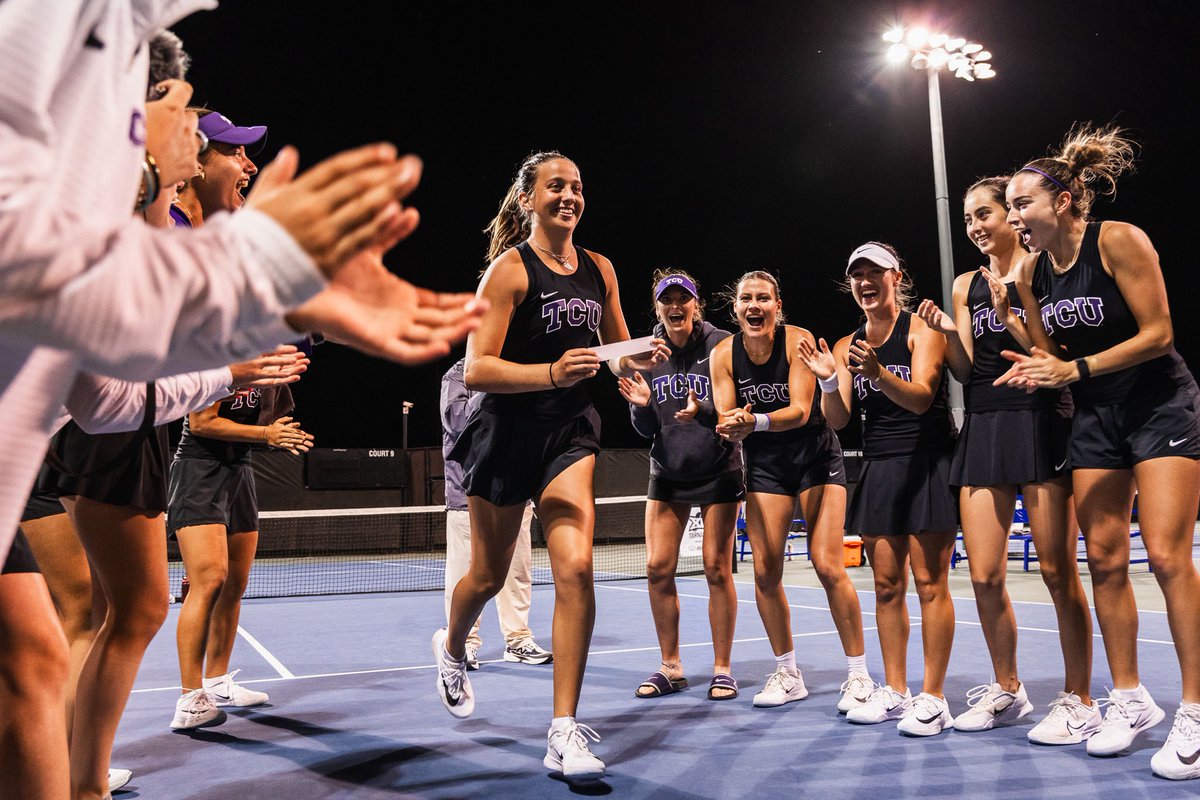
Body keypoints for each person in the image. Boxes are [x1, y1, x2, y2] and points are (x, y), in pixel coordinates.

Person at [433, 150, 666, 780]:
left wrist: (637, 362)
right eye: (555, 186)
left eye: (577, 187)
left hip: (569, 433)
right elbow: (477, 368)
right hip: (505, 436)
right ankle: (452, 645)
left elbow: (614, 350)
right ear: (528, 199)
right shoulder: (507, 273)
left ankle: (562, 730)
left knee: (578, 568)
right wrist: (551, 372)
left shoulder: (601, 268)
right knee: (484, 576)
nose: (569, 195)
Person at [998, 124, 1200, 779]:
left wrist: (1073, 371)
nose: (1012, 217)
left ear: (1061, 202)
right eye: (1008, 207)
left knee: (1168, 556)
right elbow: (1053, 356)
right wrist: (1033, 359)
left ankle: (1195, 711)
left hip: (1158, 405)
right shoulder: (1030, 273)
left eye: (1021, 203)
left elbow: (1159, 332)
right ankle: (1130, 697)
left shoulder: (1117, 240)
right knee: (1106, 561)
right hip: (1096, 419)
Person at [914, 178, 1094, 739]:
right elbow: (968, 372)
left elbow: (1058, 351)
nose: (975, 226)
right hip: (985, 424)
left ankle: (1079, 697)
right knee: (986, 575)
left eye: (984, 213)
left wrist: (1016, 310)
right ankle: (1009, 689)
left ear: (1010, 216)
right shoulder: (965, 283)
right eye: (968, 218)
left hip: (1040, 418)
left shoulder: (1041, 269)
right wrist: (948, 335)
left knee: (1056, 571)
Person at [800, 243, 958, 736]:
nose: (865, 282)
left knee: (931, 584)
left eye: (874, 273)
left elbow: (922, 398)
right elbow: (839, 419)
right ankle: (896, 690)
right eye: (856, 275)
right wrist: (829, 382)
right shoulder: (849, 343)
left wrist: (878, 373)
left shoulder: (922, 329)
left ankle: (934, 697)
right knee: (887, 586)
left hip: (928, 461)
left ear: (896, 276)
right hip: (880, 466)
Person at [711, 271, 870, 711]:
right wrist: (728, 424)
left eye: (764, 298)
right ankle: (787, 671)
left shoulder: (797, 340)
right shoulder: (724, 353)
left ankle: (859, 676)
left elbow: (801, 411)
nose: (754, 306)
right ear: (736, 308)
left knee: (826, 563)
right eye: (746, 299)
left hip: (816, 458)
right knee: (765, 572)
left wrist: (753, 421)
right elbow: (727, 416)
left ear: (778, 307)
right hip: (765, 467)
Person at [616, 270, 743, 701]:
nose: (675, 306)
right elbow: (646, 427)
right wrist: (642, 408)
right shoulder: (646, 353)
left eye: (682, 299)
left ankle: (723, 669)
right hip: (667, 471)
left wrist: (704, 408)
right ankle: (671, 666)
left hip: (719, 469)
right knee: (656, 567)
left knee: (715, 568)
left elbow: (732, 404)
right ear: (657, 309)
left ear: (696, 304)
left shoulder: (721, 343)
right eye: (666, 300)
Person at [169, 383, 312, 729]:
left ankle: (216, 682)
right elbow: (202, 422)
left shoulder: (274, 371)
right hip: (198, 470)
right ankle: (189, 699)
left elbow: (271, 421)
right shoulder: (219, 357)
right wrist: (266, 433)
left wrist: (280, 432)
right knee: (210, 580)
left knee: (234, 585)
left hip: (240, 471)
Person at [440, 358, 552, 670]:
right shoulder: (456, 376)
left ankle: (517, 640)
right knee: (465, 574)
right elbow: (456, 421)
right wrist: (498, 389)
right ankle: (464, 643)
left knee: (518, 573)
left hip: (516, 491)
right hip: (467, 494)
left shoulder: (516, 368)